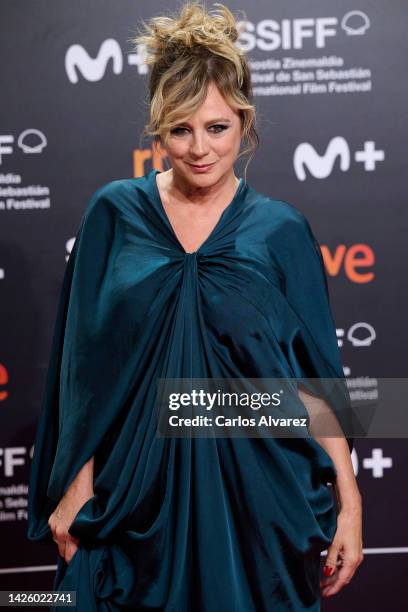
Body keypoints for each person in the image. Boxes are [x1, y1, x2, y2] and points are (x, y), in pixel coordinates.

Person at [27, 2, 363, 610]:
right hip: (133, 500)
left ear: (245, 122)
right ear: (157, 129)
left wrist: (351, 504)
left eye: (217, 127)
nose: (199, 149)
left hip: (260, 500)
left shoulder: (282, 231)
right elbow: (83, 372)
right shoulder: (114, 215)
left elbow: (318, 383)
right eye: (180, 130)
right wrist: (76, 486)